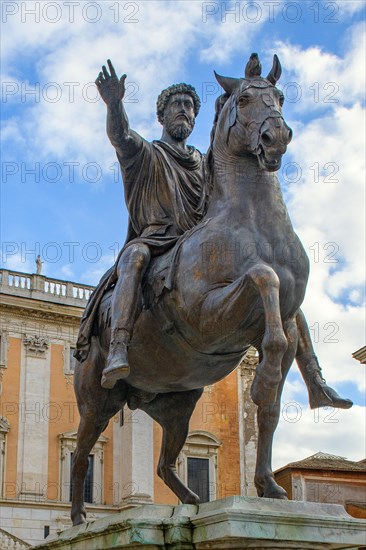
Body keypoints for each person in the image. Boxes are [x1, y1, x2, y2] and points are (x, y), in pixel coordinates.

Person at [75, 60, 352, 410]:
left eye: (190, 106)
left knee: (282, 284)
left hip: (202, 247)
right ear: (162, 116)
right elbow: (121, 137)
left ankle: (314, 378)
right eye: (176, 105)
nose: (184, 111)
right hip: (158, 239)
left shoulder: (206, 163)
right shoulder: (147, 154)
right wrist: (114, 105)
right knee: (134, 257)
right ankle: (118, 345)